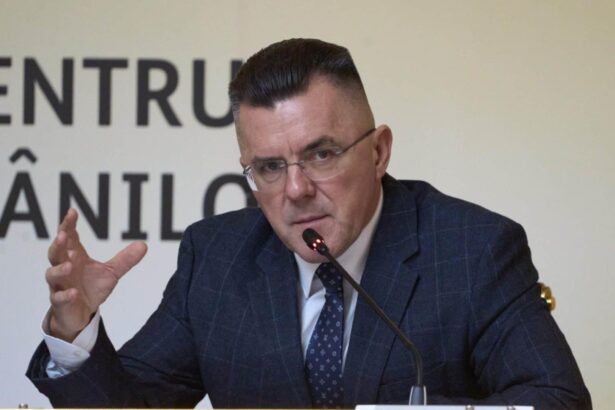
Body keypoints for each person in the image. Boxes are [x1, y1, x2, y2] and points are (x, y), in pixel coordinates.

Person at [27, 38, 591, 409]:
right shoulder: (217, 259)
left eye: (321, 155)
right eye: (270, 167)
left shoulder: (472, 250)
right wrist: (76, 332)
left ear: (378, 152)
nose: (295, 190)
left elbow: (557, 400)